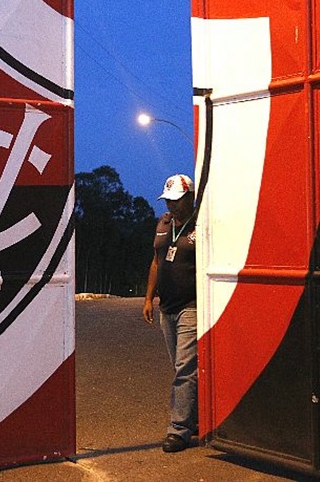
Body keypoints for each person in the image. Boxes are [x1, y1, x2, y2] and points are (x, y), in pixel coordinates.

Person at [143, 173, 198, 453]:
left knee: (184, 368)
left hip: (192, 305)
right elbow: (156, 262)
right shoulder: (163, 224)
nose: (171, 205)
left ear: (191, 197)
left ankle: (179, 429)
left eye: (176, 200)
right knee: (181, 368)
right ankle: (195, 417)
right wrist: (148, 298)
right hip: (167, 307)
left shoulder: (201, 223)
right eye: (168, 200)